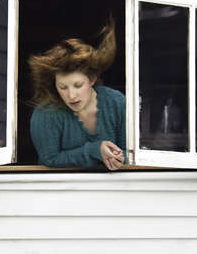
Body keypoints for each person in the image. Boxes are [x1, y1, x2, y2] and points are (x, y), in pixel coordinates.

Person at [27, 22, 126, 171]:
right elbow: (49, 158)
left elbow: (130, 151)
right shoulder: (45, 113)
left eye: (78, 85)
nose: (71, 95)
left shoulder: (117, 102)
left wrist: (118, 157)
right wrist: (94, 151)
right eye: (62, 87)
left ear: (92, 79)